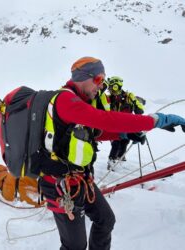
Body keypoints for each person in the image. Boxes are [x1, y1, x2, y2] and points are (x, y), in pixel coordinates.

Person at [37, 57, 185, 250]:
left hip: (81, 179)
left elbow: (94, 132)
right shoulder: (66, 99)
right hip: (59, 185)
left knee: (105, 221)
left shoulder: (80, 101)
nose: (101, 86)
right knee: (75, 246)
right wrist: (155, 121)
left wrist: (125, 133)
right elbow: (104, 119)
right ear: (83, 77)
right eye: (98, 79)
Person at [106, 76, 145, 168]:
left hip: (127, 125)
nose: (110, 89)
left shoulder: (129, 97)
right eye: (109, 88)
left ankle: (120, 157)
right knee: (116, 142)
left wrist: (136, 106)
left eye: (111, 87)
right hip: (114, 124)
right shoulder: (108, 98)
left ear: (116, 86)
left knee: (125, 142)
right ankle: (111, 160)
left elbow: (140, 110)